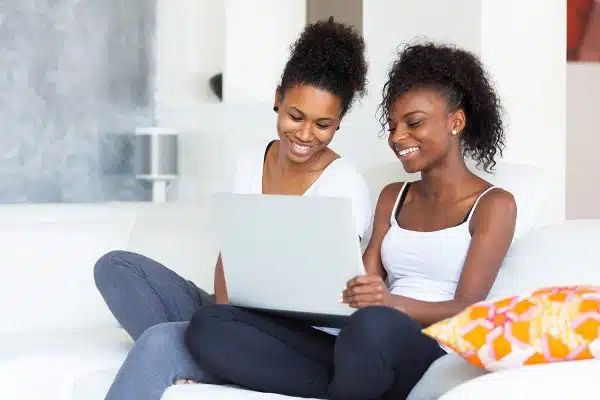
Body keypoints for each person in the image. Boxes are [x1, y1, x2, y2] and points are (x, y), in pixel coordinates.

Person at [184, 42, 518, 400]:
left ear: (456, 121)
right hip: (362, 341)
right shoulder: (393, 196)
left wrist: (389, 305)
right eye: (392, 126)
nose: (397, 137)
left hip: (426, 349)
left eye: (413, 123)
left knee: (374, 325)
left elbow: (469, 308)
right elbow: (364, 285)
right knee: (211, 325)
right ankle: (338, 389)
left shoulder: (494, 205)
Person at [94, 17, 370, 399]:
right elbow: (231, 256)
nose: (306, 135)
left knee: (161, 343)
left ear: (338, 124)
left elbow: (331, 298)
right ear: (278, 99)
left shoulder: (345, 185)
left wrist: (230, 330)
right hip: (233, 320)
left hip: (300, 341)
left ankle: (204, 355)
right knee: (116, 267)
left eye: (323, 124)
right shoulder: (250, 161)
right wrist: (224, 321)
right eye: (295, 116)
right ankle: (215, 358)